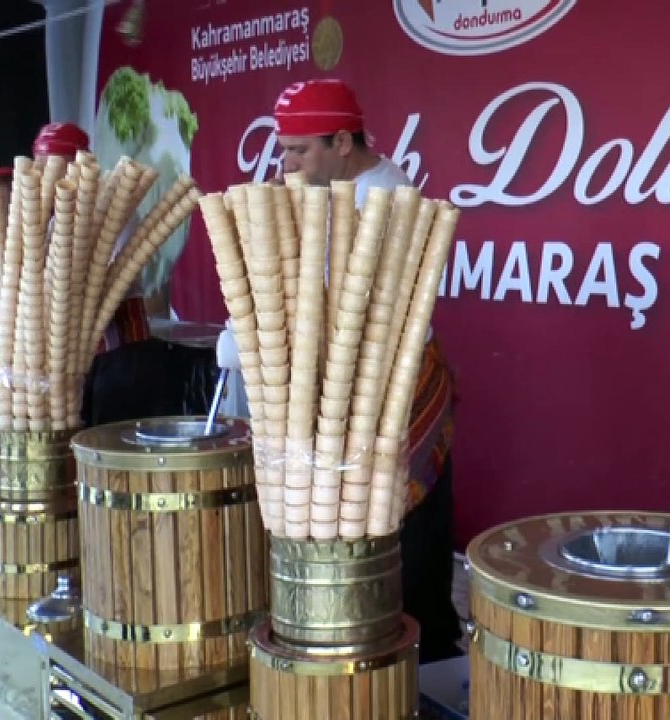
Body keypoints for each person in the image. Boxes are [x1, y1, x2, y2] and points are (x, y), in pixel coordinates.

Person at [216, 78, 462, 663]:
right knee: (357, 529)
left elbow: (337, 309)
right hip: (342, 383)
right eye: (285, 149)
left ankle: (424, 655)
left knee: (407, 526)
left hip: (390, 381)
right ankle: (361, 635)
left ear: (343, 142)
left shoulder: (384, 200)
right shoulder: (326, 189)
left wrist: (253, 330)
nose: (286, 163)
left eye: (300, 150)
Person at [0, 123, 151, 384]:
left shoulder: (110, 207)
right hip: (60, 349)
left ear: (78, 165)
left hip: (112, 340)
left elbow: (96, 286)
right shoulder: (43, 218)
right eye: (41, 167)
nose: (46, 175)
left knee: (107, 416)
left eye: (54, 167)